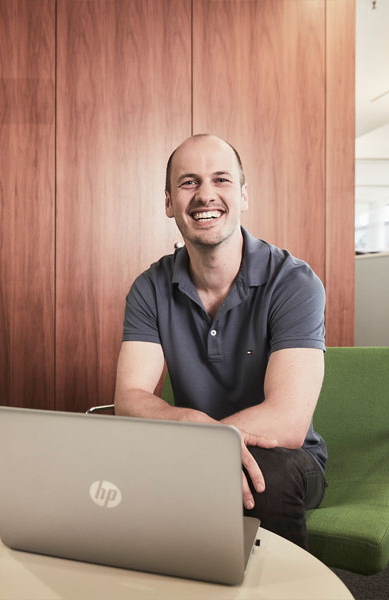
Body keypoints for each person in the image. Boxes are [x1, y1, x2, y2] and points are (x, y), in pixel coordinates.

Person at [114, 134, 327, 548]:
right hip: (187, 449)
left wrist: (196, 447)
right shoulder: (149, 287)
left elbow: (287, 421)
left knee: (266, 475)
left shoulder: (294, 282)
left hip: (284, 458)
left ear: (244, 195)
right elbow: (130, 398)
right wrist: (195, 430)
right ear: (168, 201)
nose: (205, 195)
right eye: (189, 182)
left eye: (221, 180)